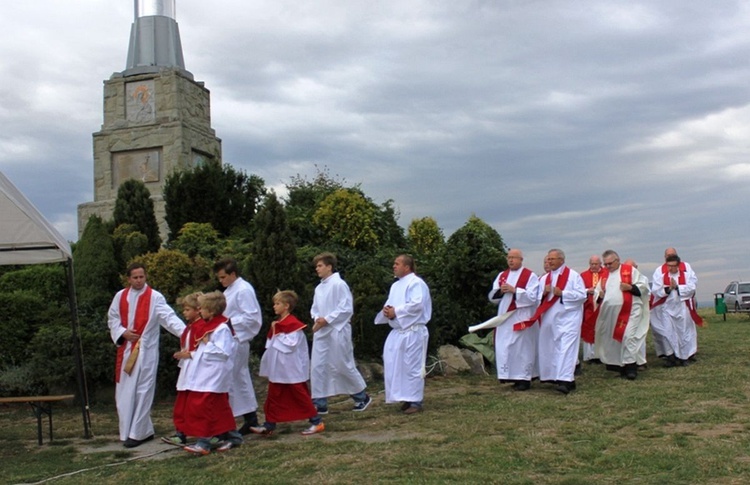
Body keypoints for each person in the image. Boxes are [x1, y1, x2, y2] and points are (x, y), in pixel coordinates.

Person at [108, 262, 185, 448]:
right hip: (126, 350)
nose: (139, 280)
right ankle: (131, 430)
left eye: (141, 277)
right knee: (124, 393)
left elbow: (169, 318)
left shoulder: (155, 297)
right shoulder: (120, 296)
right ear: (129, 278)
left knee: (144, 391)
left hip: (147, 351)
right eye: (135, 277)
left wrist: (188, 333)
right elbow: (113, 318)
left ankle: (138, 433)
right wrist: (122, 332)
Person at [251, 291, 325, 436]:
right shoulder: (279, 324)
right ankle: (269, 424)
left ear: (286, 306)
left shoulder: (293, 325)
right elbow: (271, 344)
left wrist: (276, 331)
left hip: (291, 368)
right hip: (279, 368)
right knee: (273, 395)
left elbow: (290, 345)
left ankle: (316, 421)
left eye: (277, 304)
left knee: (300, 394)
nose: (274, 306)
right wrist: (275, 330)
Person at [181, 291, 243, 455]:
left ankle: (204, 442)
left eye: (202, 308)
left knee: (204, 407)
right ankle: (233, 436)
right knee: (218, 408)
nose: (199, 311)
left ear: (212, 310)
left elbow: (223, 353)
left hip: (214, 375)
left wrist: (208, 343)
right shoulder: (210, 326)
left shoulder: (221, 328)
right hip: (205, 373)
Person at [310, 253, 371, 414]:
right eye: (316, 266)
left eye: (320, 265)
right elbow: (314, 308)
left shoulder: (339, 284)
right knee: (318, 366)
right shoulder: (319, 288)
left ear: (329, 267)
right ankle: (320, 402)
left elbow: (346, 308)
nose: (317, 269)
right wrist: (317, 318)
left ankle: (361, 396)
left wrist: (328, 319)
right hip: (322, 332)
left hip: (337, 330)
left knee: (342, 364)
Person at [519, 249, 585, 395]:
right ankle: (557, 377)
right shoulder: (543, 279)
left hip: (568, 318)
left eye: (552, 259)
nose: (549, 262)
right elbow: (535, 300)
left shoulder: (573, 276)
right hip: (549, 319)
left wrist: (563, 293)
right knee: (551, 348)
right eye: (548, 259)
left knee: (566, 349)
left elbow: (582, 296)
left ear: (561, 260)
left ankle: (565, 381)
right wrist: (543, 293)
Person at [375, 254, 432, 414]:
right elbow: (390, 304)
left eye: (397, 263)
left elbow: (417, 305)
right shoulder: (396, 286)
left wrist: (396, 311)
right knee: (396, 365)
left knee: (412, 366)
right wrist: (387, 311)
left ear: (407, 267)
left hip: (413, 332)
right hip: (398, 332)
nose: (394, 266)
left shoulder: (416, 283)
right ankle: (405, 397)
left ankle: (415, 401)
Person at [214, 258, 262, 435]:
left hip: (237, 339)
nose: (221, 281)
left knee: (234, 379)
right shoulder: (230, 290)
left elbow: (251, 317)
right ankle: (249, 418)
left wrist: (226, 323)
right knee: (238, 379)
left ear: (233, 274)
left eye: (223, 277)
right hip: (229, 339)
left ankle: (240, 419)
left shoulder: (243, 290)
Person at [488, 248, 540, 391]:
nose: (511, 260)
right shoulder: (502, 275)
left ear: (521, 260)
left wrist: (515, 290)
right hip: (505, 316)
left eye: (514, 257)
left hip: (521, 315)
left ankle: (524, 378)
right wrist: (499, 292)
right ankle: (510, 375)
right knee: (506, 346)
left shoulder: (530, 276)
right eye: (509, 257)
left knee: (522, 347)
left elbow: (533, 297)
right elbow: (493, 297)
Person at [594, 250, 650, 380]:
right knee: (614, 340)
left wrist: (630, 287)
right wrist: (599, 295)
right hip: (611, 314)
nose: (607, 267)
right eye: (605, 264)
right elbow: (597, 292)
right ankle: (618, 366)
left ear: (618, 260)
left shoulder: (630, 271)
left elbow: (643, 286)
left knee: (628, 336)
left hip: (630, 311)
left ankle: (631, 367)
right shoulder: (604, 276)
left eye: (610, 263)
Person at [163, 292, 202, 447]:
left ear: (198, 309)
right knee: (183, 403)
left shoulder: (201, 328)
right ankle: (181, 432)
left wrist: (188, 354)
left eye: (187, 309)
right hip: (187, 368)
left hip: (196, 368)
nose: (184, 313)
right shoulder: (190, 327)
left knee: (195, 403)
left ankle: (200, 433)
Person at [650, 253, 703, 366]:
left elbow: (692, 287)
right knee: (668, 332)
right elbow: (655, 290)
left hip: (682, 308)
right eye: (669, 266)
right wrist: (668, 289)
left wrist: (678, 287)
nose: (671, 268)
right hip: (666, 309)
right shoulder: (661, 274)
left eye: (673, 266)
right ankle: (671, 357)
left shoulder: (686, 274)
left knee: (683, 333)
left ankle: (684, 357)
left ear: (678, 265)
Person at [580, 255, 607, 364]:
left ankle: (601, 355)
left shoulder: (606, 274)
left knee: (602, 329)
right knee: (589, 328)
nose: (594, 266)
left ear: (600, 264)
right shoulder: (583, 275)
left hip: (602, 306)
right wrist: (587, 290)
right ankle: (590, 355)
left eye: (596, 264)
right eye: (592, 264)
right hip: (589, 307)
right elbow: (579, 289)